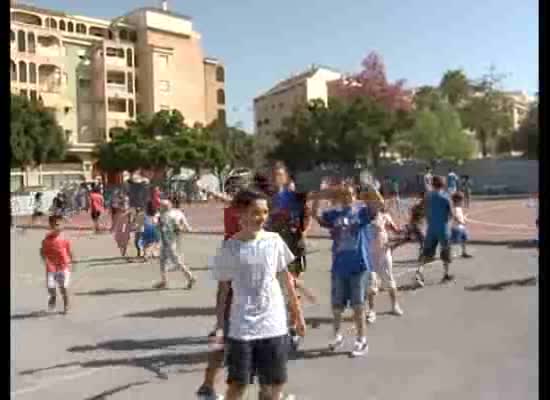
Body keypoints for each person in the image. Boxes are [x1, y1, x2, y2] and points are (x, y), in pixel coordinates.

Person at [210, 189, 306, 400]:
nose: (261, 217)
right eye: (255, 212)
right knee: (238, 386)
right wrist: (219, 324)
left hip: (274, 325)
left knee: (274, 386)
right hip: (242, 327)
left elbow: (286, 279)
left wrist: (298, 315)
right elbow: (223, 290)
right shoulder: (231, 247)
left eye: (264, 212)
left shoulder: (274, 241)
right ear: (241, 214)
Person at [311, 183, 379, 357]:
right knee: (337, 306)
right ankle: (337, 335)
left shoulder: (361, 212)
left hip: (358, 266)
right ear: (340, 198)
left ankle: (361, 340)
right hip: (339, 266)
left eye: (350, 194)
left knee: (358, 306)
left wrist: (373, 191)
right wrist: (318, 196)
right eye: (344, 195)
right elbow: (316, 216)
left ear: (355, 196)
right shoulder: (333, 214)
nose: (347, 197)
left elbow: (378, 206)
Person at [366, 205, 404, 323]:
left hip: (384, 254)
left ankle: (394, 305)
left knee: (389, 280)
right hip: (369, 256)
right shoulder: (363, 217)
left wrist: (407, 229)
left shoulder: (384, 216)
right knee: (371, 285)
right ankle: (371, 311)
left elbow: (396, 230)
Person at [415, 176, 454, 288]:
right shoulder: (446, 196)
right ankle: (446, 274)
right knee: (446, 251)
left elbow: (423, 210)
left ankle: (419, 271)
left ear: (432, 184)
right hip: (443, 227)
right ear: (443, 184)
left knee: (427, 252)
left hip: (431, 228)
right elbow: (451, 213)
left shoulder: (428, 196)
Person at [154, 200, 196, 289]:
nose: (159, 208)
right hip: (172, 241)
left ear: (165, 207)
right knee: (162, 261)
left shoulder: (164, 216)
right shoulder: (177, 212)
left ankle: (190, 277)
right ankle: (164, 281)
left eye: (161, 206)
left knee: (177, 262)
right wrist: (186, 228)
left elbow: (162, 228)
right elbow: (185, 225)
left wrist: (158, 226)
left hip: (168, 242)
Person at [40, 215, 74, 314]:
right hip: (51, 268)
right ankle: (53, 297)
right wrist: (45, 261)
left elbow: (69, 251)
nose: (57, 227)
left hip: (63, 267)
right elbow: (42, 252)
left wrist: (72, 261)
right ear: (50, 226)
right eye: (54, 225)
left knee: (63, 288)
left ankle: (66, 305)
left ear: (62, 225)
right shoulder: (47, 240)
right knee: (51, 287)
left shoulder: (64, 239)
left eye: (58, 224)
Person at [450, 192, 473, 258]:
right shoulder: (454, 208)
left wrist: (463, 220)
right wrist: (460, 221)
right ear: (457, 201)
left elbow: (460, 216)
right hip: (456, 228)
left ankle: (464, 252)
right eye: (461, 201)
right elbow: (454, 217)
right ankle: (448, 251)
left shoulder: (459, 208)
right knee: (454, 241)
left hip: (462, 227)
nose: (462, 202)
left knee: (464, 239)